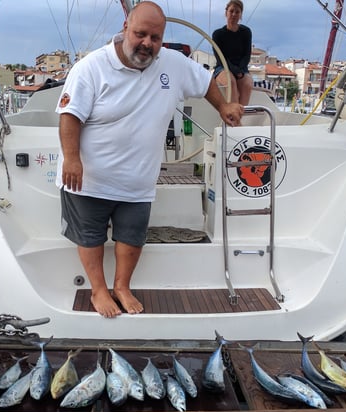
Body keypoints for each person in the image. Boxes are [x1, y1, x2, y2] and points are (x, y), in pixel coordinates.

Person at [55, 1, 243, 318]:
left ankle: (122, 287)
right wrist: (72, 159)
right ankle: (99, 290)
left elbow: (204, 80)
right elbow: (69, 117)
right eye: (141, 34)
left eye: (155, 38)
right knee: (90, 236)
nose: (147, 44)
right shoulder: (91, 68)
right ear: (126, 27)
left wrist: (223, 107)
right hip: (89, 179)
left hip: (137, 181)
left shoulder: (173, 63)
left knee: (132, 238)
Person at [212, 0, 254, 106]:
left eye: (237, 12)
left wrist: (240, 70)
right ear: (226, 13)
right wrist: (235, 71)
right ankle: (234, 117)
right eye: (231, 11)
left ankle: (239, 117)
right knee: (230, 82)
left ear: (241, 15)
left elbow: (246, 55)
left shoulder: (246, 32)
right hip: (222, 67)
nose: (234, 14)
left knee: (248, 84)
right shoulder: (218, 34)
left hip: (241, 68)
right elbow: (220, 58)